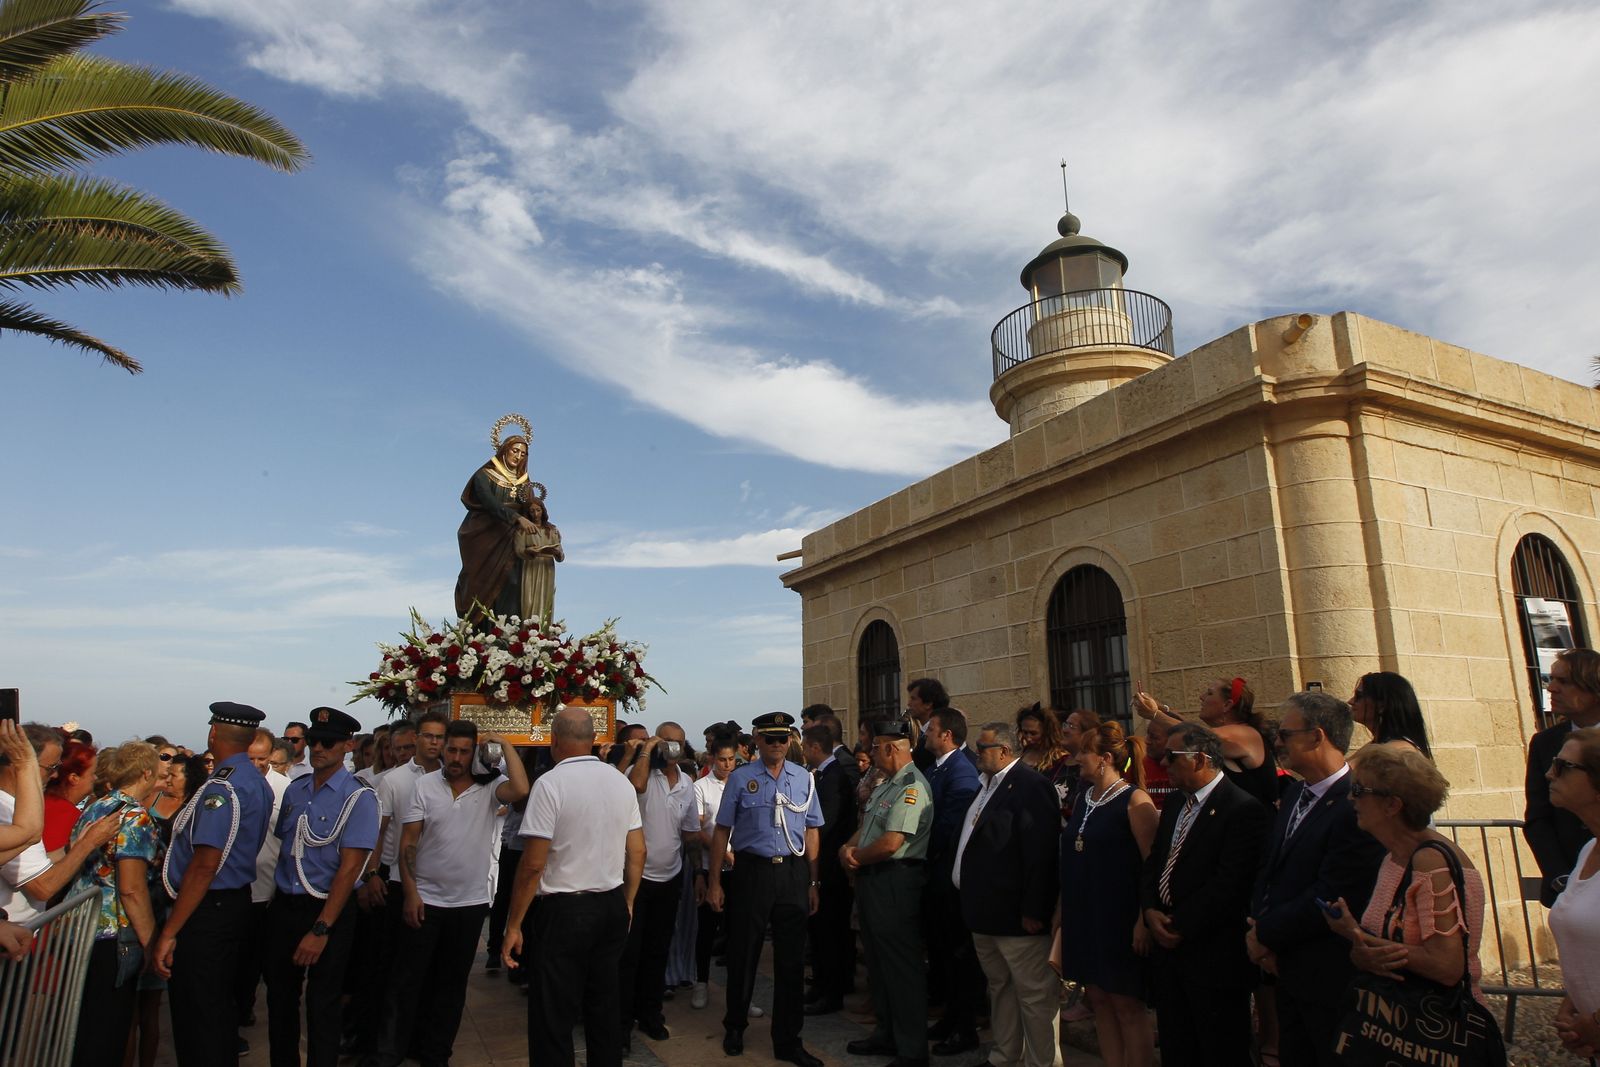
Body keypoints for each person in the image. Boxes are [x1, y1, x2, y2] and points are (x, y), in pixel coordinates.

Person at [368, 720, 529, 1067]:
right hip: (426, 899)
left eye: (464, 751)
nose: (456, 757)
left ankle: (436, 1052)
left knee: (451, 986)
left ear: (475, 754)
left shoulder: (490, 786)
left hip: (469, 904)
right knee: (406, 981)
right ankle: (389, 1053)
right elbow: (408, 842)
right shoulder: (424, 786)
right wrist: (411, 893)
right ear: (443, 750)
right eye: (451, 749)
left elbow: (521, 787)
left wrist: (503, 742)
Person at [1247, 691, 1384, 1067]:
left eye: (1284, 733)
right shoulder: (1294, 794)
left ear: (1317, 736)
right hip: (1287, 968)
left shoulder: (1355, 803)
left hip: (1327, 975)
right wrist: (1257, 920)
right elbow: (1270, 867)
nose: (1276, 742)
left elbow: (1333, 892)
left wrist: (1265, 933)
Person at [502, 706, 644, 1067]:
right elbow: (638, 851)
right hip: (610, 903)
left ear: (553, 742)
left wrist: (514, 923)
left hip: (565, 908)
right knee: (604, 1005)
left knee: (553, 1011)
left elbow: (533, 863)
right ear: (593, 740)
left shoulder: (550, 784)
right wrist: (628, 900)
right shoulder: (619, 781)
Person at [1139, 723, 1271, 1067]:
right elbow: (1156, 862)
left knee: (1220, 1048)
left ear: (1199, 759)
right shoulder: (1173, 804)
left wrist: (1179, 924)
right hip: (1169, 956)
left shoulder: (1242, 809)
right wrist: (1151, 909)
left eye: (1172, 756)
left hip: (1213, 955)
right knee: (1178, 1046)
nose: (1163, 762)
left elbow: (1230, 883)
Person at [154, 702, 274, 1067]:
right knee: (218, 1007)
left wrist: (170, 931)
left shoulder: (222, 788)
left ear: (212, 735)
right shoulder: (256, 782)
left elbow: (205, 865)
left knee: (198, 1014)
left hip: (207, 907)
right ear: (251, 738)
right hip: (231, 903)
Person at [1323, 744, 1489, 1002]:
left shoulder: (1431, 862)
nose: (1350, 798)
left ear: (1392, 805)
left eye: (1359, 790)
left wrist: (1353, 935)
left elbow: (1447, 966)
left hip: (1433, 1024)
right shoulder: (1396, 856)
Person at [707, 710, 825, 1067]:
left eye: (783, 739)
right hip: (752, 872)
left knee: (790, 961)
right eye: (770, 739)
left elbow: (812, 829)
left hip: (791, 872)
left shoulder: (803, 777)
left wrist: (814, 880)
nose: (777, 745)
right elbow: (721, 831)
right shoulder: (741, 778)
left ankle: (788, 1040)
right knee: (744, 953)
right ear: (756, 740)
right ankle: (735, 1027)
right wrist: (714, 880)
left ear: (790, 741)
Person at [265, 708, 378, 1067]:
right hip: (286, 904)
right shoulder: (296, 790)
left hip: (327, 908)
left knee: (322, 1003)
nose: (318, 748)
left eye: (327, 742)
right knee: (279, 1000)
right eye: (314, 741)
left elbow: (349, 869)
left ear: (347, 745)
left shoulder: (359, 797)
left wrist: (321, 928)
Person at [951, 721, 1061, 1067]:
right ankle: (1004, 1055)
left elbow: (1040, 852)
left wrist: (1033, 909)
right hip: (983, 913)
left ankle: (1042, 1062)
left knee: (1034, 997)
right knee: (1000, 989)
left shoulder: (1030, 786)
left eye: (982, 748)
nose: (977, 753)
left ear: (1004, 751)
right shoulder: (985, 786)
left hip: (1016, 916)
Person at [1060, 720, 1157, 1067]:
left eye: (1084, 751)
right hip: (1085, 916)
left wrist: (1143, 921)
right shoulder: (1085, 797)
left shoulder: (1134, 800)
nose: (1078, 758)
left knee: (1127, 1005)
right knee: (1099, 1000)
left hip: (1119, 919)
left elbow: (1152, 867)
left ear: (1103, 758)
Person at [841, 720, 934, 1067]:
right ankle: (887, 1033)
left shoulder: (912, 787)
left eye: (877, 746)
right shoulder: (886, 785)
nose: (872, 751)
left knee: (900, 967)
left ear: (892, 748)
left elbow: (892, 842)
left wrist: (854, 857)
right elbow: (867, 827)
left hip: (895, 880)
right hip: (873, 879)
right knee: (878, 964)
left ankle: (912, 1050)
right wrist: (847, 848)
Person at [66, 741, 162, 1067]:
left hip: (80, 930)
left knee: (86, 1029)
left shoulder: (97, 806)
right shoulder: (134, 817)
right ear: (146, 773)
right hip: (113, 935)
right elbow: (132, 889)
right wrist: (151, 944)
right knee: (107, 1033)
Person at [617, 721, 700, 1047]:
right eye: (667, 741)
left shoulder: (687, 783)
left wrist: (700, 875)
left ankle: (650, 1014)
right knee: (629, 955)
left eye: (678, 742)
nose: (673, 748)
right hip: (636, 881)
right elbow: (634, 786)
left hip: (670, 878)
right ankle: (621, 1024)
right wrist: (648, 750)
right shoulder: (643, 775)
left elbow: (690, 834)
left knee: (657, 952)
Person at [0, 723, 119, 924]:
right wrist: (86, 845)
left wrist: (71, 848)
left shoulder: (13, 806)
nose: (55, 775)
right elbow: (43, 886)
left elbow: (30, 856)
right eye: (51, 768)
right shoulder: (5, 810)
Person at [920, 707, 982, 1052]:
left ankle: (965, 1026)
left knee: (959, 956)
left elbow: (947, 825)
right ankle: (951, 1017)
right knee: (942, 953)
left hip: (948, 877)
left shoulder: (961, 771)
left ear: (946, 735)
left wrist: (918, 847)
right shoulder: (935, 768)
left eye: (930, 729)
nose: (925, 734)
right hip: (935, 877)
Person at [1526, 648, 1600, 906]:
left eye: (1564, 681)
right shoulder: (1545, 743)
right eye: (1551, 680)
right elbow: (1538, 818)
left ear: (1593, 687)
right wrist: (1562, 877)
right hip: (1569, 888)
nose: (1552, 688)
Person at [454, 421, 549, 619]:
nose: (518, 456)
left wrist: (543, 528)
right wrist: (516, 518)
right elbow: (489, 502)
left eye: (523, 454)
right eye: (515, 451)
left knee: (513, 583)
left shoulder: (524, 481)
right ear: (505, 450)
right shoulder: (484, 475)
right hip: (484, 535)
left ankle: (506, 637)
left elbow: (531, 509)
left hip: (512, 541)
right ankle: (478, 635)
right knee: (477, 582)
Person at [1135, 677, 1278, 808]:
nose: (1201, 697)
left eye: (1209, 693)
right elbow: (1192, 727)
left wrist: (1154, 714)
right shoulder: (1230, 733)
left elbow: (1197, 734)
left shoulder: (1246, 734)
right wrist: (1161, 708)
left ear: (1227, 705)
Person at [1547, 726, 1600, 1058]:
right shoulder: (1588, 851)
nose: (1549, 773)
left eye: (1563, 766)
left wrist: (1595, 1023)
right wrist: (1573, 1004)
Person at [801, 720, 859, 1017]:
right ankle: (821, 984)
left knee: (831, 932)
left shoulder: (834, 777)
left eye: (804, 746)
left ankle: (832, 991)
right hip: (820, 867)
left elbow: (824, 823)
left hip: (829, 869)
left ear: (814, 747)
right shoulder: (822, 775)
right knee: (820, 930)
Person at [237, 727, 289, 1039]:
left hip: (267, 886)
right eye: (251, 758)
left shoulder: (285, 788)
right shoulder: (232, 783)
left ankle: (245, 1006)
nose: (257, 764)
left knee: (257, 959)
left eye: (262, 758)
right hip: (235, 887)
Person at [692, 735, 739, 1010]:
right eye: (722, 759)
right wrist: (723, 854)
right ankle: (701, 981)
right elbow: (698, 830)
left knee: (737, 931)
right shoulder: (701, 788)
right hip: (713, 866)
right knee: (707, 929)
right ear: (712, 759)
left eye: (732, 759)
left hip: (739, 867)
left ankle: (737, 990)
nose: (728, 765)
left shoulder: (741, 784)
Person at [1349, 671, 1433, 756]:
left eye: (1359, 696)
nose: (1350, 701)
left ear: (1381, 705)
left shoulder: (1400, 753)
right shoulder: (1375, 747)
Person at [514, 495, 564, 622]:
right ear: (528, 513)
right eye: (532, 511)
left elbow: (561, 555)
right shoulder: (522, 530)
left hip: (547, 567)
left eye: (538, 510)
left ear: (543, 510)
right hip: (531, 566)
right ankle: (529, 629)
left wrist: (557, 553)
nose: (535, 514)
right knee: (529, 600)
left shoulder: (552, 530)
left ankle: (545, 633)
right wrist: (528, 551)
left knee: (546, 599)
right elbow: (519, 550)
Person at [43, 737, 96, 853]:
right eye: (92, 774)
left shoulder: (40, 803)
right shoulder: (69, 816)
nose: (95, 778)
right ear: (74, 778)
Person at [907, 677, 949, 771]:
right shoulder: (923, 733)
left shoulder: (937, 736)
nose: (909, 703)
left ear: (928, 704)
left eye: (913, 699)